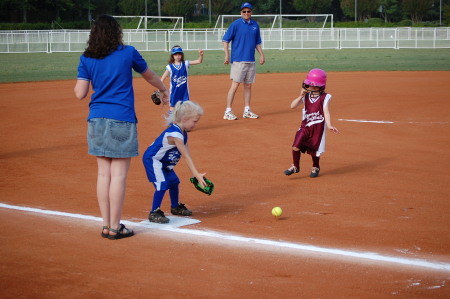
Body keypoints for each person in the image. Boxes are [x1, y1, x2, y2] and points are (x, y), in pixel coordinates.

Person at [74, 15, 169, 239]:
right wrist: (164, 90)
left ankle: (107, 225)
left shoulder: (87, 58)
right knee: (118, 176)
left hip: (96, 119)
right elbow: (150, 76)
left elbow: (80, 94)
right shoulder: (128, 53)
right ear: (116, 32)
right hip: (122, 118)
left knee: (103, 175)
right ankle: (116, 226)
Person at [143, 101, 207, 224]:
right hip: (153, 160)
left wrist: (195, 173)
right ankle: (154, 212)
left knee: (174, 182)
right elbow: (186, 156)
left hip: (164, 162)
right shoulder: (176, 134)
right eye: (194, 121)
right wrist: (196, 174)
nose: (196, 124)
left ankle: (175, 206)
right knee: (162, 183)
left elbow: (187, 154)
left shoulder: (183, 133)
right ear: (184, 119)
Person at [283, 68, 339, 178]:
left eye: (314, 85)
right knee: (295, 146)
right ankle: (295, 166)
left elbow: (326, 112)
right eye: (309, 84)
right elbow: (292, 106)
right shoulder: (306, 96)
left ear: (320, 86)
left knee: (315, 149)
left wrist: (329, 125)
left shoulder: (324, 97)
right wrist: (301, 96)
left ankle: (315, 166)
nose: (310, 87)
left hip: (318, 128)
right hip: (305, 127)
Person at [222, 2, 265, 120]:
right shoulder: (235, 24)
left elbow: (257, 42)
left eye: (248, 11)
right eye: (244, 11)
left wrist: (261, 54)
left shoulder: (255, 25)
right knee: (235, 85)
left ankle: (247, 110)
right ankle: (228, 111)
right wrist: (227, 55)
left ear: (251, 12)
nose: (246, 13)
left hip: (250, 60)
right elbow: (225, 40)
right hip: (238, 60)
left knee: (248, 86)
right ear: (241, 12)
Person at [161, 45, 204, 112]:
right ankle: (172, 122)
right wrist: (160, 90)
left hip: (184, 92)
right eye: (175, 54)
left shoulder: (185, 64)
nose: (177, 56)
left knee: (185, 109)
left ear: (182, 55)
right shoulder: (170, 67)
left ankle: (182, 122)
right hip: (174, 92)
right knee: (172, 108)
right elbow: (162, 79)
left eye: (179, 54)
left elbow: (198, 61)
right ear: (173, 56)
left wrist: (201, 55)